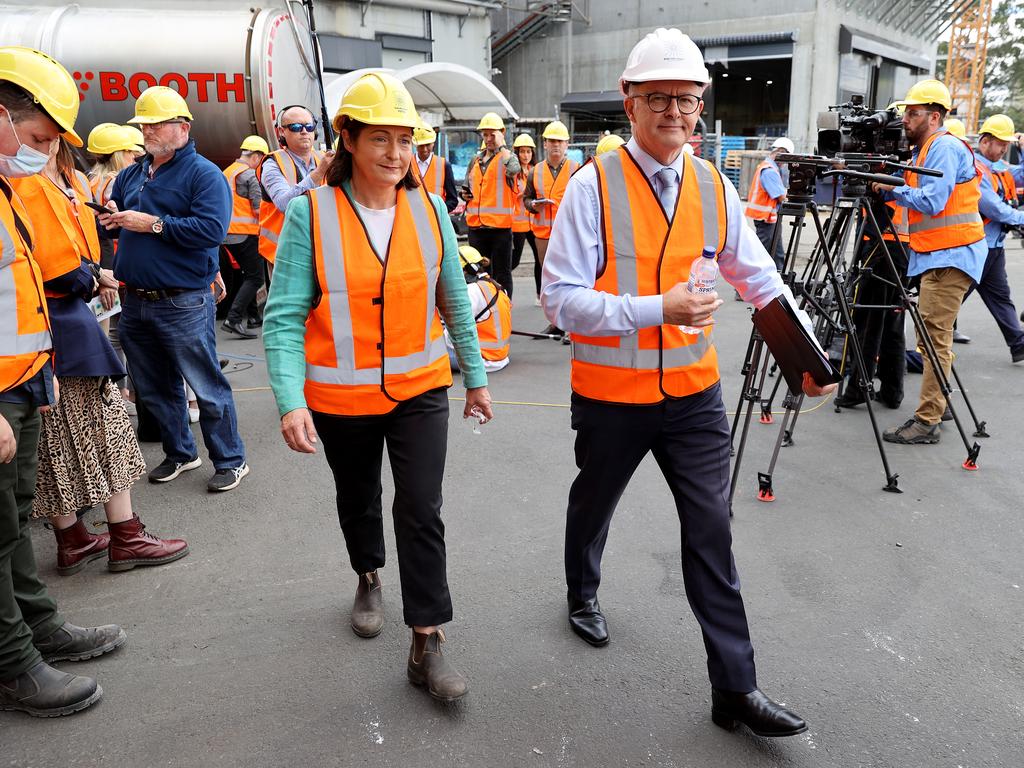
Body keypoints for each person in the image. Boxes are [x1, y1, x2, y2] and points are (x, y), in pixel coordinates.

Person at [542, 28, 834, 737]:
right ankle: (582, 590)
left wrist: (809, 353)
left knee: (711, 529)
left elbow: (757, 275)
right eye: (660, 97)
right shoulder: (592, 187)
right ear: (629, 101)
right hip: (613, 398)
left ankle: (735, 688)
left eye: (687, 98)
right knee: (595, 500)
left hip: (694, 398)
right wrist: (656, 309)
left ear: (701, 104)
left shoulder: (712, 184)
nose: (675, 111)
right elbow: (560, 299)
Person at [263, 73, 493, 702]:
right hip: (342, 397)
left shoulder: (431, 209)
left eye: (406, 141)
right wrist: (290, 401)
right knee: (359, 496)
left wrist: (473, 378)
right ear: (348, 138)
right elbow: (283, 316)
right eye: (382, 140)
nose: (397, 155)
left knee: (421, 508)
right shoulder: (312, 213)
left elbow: (453, 299)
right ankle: (367, 574)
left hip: (421, 390)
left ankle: (427, 640)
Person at [0, 45, 125, 718]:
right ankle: (15, 663)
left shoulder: (5, 190)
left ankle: (36, 628)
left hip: (19, 385)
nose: (43, 154)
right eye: (40, 138)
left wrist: (38, 377)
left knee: (14, 522)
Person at [11, 136, 189, 575]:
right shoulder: (29, 182)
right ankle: (125, 536)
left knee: (54, 438)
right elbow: (58, 267)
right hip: (58, 320)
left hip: (45, 324)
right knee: (105, 427)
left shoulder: (59, 179)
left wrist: (92, 273)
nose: (45, 142)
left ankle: (72, 539)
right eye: (38, 134)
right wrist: (94, 276)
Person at [98, 85, 249, 491]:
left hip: (182, 300)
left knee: (205, 385)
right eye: (142, 124)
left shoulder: (204, 175)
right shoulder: (133, 173)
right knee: (155, 388)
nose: (146, 130)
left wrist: (152, 224)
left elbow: (211, 231)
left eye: (154, 124)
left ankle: (231, 460)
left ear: (182, 128)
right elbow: (116, 223)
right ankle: (181, 453)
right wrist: (111, 218)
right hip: (136, 301)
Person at [872, 80, 987, 445]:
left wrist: (891, 188)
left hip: (951, 255)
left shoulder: (942, 147)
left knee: (933, 339)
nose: (906, 119)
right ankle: (939, 402)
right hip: (941, 254)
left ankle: (927, 421)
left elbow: (934, 201)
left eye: (913, 112)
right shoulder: (926, 150)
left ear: (933, 116)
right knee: (932, 337)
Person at [966, 114, 1024, 362]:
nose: (1004, 149)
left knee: (1001, 297)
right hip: (974, 247)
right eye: (1001, 143)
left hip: (993, 247)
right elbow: (993, 208)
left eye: (1007, 144)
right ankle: (917, 352)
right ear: (985, 141)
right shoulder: (975, 169)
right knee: (947, 303)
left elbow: (1020, 175)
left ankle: (1019, 344)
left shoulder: (996, 169)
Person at [256, 105, 330, 265]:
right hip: (285, 254)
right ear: (282, 132)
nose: (304, 131)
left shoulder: (323, 158)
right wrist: (319, 173)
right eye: (296, 127)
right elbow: (285, 204)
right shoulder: (272, 164)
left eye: (309, 126)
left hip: (321, 249)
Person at [525, 121, 579, 337]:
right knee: (550, 281)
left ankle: (571, 324)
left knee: (571, 278)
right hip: (543, 235)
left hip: (569, 234)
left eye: (559, 141)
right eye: (551, 141)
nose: (555, 145)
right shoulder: (535, 171)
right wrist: (533, 205)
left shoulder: (577, 169)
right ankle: (555, 323)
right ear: (544, 144)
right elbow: (526, 199)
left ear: (567, 144)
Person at [461, 112, 520, 296]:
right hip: (476, 228)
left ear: (501, 133)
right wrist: (465, 195)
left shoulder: (507, 157)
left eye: (492, 134)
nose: (488, 139)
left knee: (502, 274)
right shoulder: (475, 160)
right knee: (479, 274)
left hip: (499, 229)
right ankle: (485, 310)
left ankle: (504, 311)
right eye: (485, 135)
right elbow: (466, 187)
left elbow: (514, 169)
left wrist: (502, 145)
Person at [221, 135, 268, 338]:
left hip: (228, 234)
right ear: (256, 156)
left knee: (246, 274)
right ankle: (233, 318)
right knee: (256, 277)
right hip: (246, 234)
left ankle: (254, 317)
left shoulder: (227, 172)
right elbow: (259, 210)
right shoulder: (250, 175)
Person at [446, 245, 512, 373]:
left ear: (466, 270)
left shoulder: (472, 291)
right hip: (499, 357)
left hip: (480, 359)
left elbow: (454, 328)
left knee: (427, 352)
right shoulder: (496, 287)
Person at [744, 137, 794, 271]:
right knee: (760, 253)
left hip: (770, 219)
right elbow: (780, 197)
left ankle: (779, 277)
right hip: (765, 219)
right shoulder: (769, 170)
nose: (785, 163)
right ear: (781, 152)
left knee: (777, 253)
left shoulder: (769, 167)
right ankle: (746, 281)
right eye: (786, 157)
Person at [413, 121, 457, 212]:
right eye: (421, 145)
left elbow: (452, 200)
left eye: (428, 145)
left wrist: (440, 212)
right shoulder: (407, 165)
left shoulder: (444, 165)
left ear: (433, 143)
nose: (425, 149)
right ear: (415, 144)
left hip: (436, 220)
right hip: (411, 219)